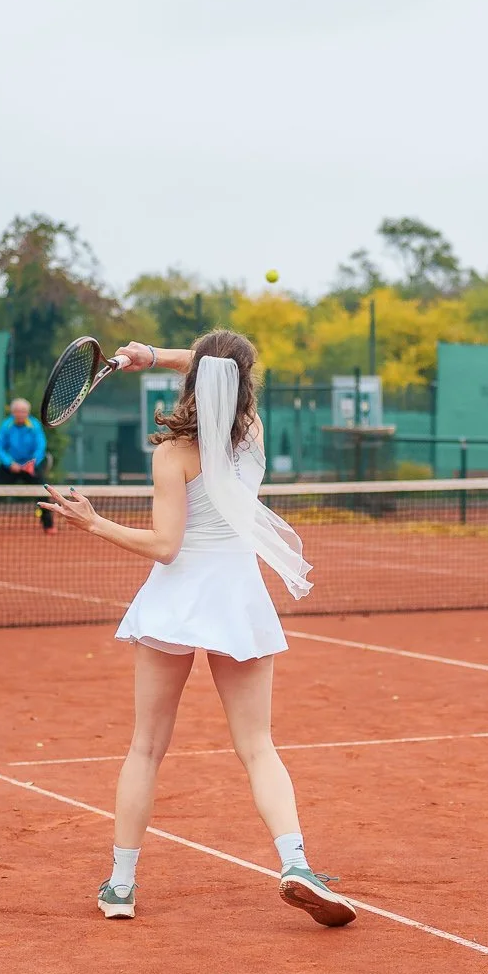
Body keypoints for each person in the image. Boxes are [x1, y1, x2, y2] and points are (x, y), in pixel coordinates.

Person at [41, 331, 356, 929]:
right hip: (237, 601)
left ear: (193, 382)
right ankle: (296, 864)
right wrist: (155, 357)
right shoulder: (255, 436)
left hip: (177, 603)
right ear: (243, 388)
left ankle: (122, 885)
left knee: (145, 748)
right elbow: (225, 369)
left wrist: (92, 522)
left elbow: (165, 547)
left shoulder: (173, 455)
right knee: (259, 747)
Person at [0, 396, 54, 532]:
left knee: (43, 493)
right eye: (18, 411)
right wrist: (10, 463)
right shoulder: (6, 426)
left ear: (27, 413)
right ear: (13, 413)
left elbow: (40, 446)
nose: (20, 414)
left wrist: (32, 462)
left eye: (23, 411)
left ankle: (49, 525)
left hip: (31, 466)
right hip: (9, 467)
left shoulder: (34, 426)